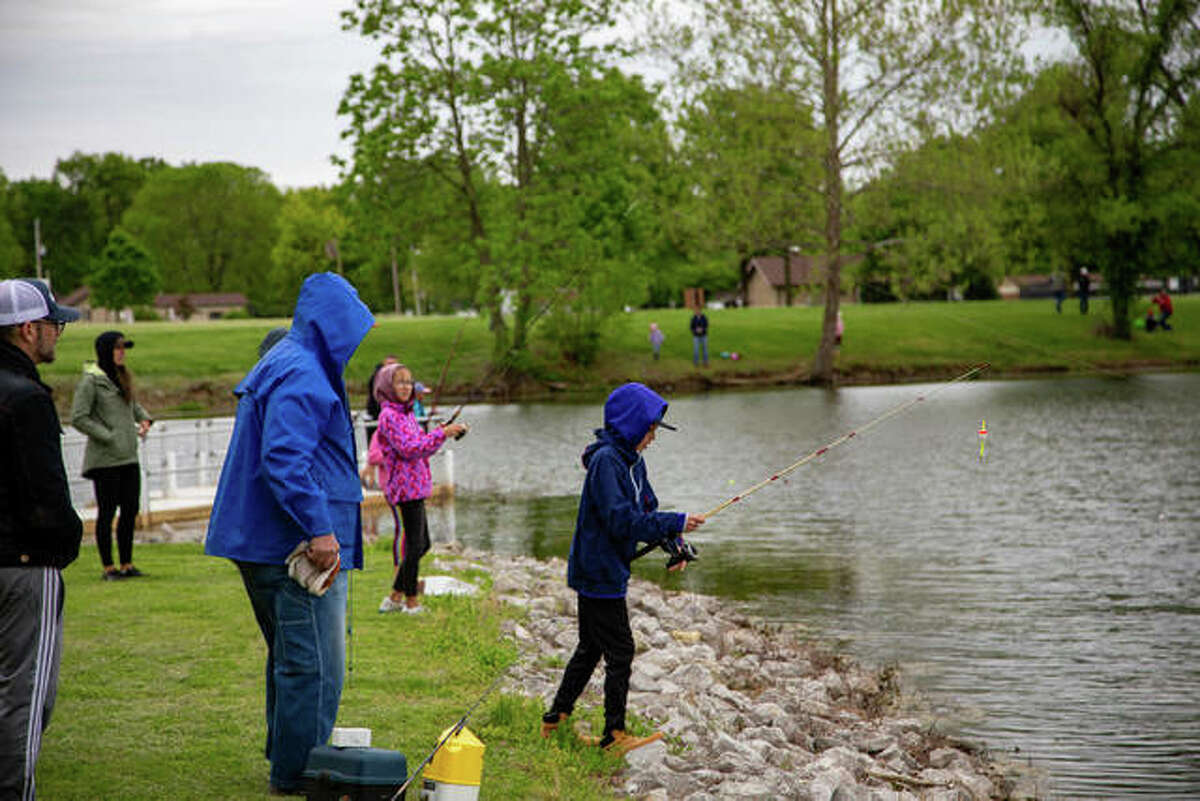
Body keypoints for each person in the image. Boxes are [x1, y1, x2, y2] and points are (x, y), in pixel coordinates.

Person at [204, 272, 374, 796]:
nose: (357, 337)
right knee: (314, 667)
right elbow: (283, 458)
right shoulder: (303, 371)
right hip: (291, 546)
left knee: (291, 658)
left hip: (259, 539)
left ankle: (288, 757)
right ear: (333, 323)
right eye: (353, 325)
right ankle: (300, 774)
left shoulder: (287, 359)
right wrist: (320, 529)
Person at [541, 382, 705, 756]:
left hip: (608, 567)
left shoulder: (633, 461)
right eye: (649, 430)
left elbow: (645, 511)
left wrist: (674, 542)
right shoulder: (605, 462)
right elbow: (620, 520)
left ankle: (555, 719)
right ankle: (614, 734)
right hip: (597, 569)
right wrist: (675, 520)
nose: (652, 438)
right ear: (631, 425)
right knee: (621, 649)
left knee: (590, 646)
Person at [0, 278, 83, 801]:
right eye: (53, 323)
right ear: (28, 329)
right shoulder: (27, 397)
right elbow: (47, 491)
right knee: (25, 694)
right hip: (24, 562)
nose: (58, 332)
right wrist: (65, 539)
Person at [371, 363, 465, 614]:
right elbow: (409, 449)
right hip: (404, 489)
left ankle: (394, 596)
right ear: (386, 387)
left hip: (417, 486)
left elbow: (421, 446)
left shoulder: (407, 413)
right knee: (415, 545)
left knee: (422, 544)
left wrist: (441, 432)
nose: (406, 387)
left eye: (409, 382)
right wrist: (442, 433)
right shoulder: (388, 416)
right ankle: (411, 603)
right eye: (399, 382)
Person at [70, 331, 154, 580]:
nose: (122, 352)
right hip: (105, 460)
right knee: (107, 513)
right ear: (106, 350)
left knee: (130, 510)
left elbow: (132, 405)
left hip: (129, 456)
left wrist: (145, 418)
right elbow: (79, 417)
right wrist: (108, 435)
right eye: (118, 348)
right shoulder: (91, 381)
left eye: (123, 348)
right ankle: (108, 568)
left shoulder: (122, 377)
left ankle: (127, 564)